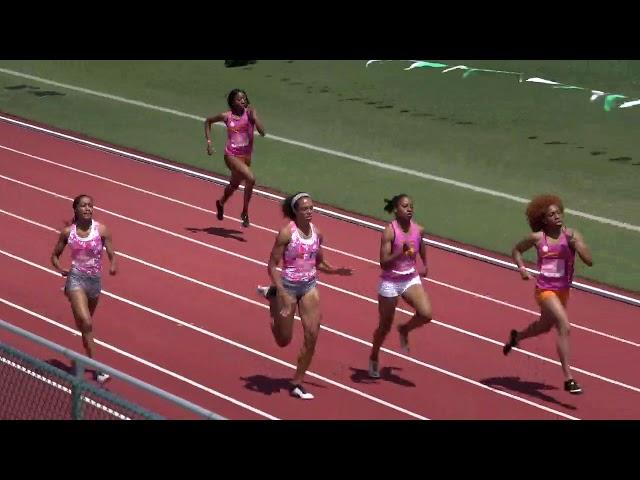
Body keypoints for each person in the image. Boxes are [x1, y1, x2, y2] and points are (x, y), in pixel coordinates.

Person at [257, 192, 352, 399]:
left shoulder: (317, 233)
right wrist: (281, 291)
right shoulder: (286, 234)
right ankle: (272, 297)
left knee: (312, 335)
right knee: (284, 340)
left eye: (311, 208)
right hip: (288, 288)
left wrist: (336, 271)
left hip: (309, 287)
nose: (309, 212)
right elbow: (272, 265)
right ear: (295, 211)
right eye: (305, 209)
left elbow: (319, 262)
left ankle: (297, 382)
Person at [503, 194, 593, 395]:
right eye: (551, 214)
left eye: (558, 212)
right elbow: (516, 250)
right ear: (543, 219)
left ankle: (518, 336)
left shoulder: (571, 235)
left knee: (544, 327)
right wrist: (522, 269)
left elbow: (589, 260)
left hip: (563, 291)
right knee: (564, 325)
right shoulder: (537, 238)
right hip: (544, 290)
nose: (557, 216)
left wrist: (577, 245)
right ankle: (569, 378)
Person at [51, 194, 118, 383]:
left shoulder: (102, 230)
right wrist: (60, 268)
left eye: (90, 205)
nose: (88, 209)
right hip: (76, 279)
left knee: (84, 326)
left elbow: (112, 253)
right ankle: (97, 368)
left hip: (94, 282)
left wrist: (113, 265)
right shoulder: (67, 233)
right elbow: (55, 256)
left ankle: (86, 351)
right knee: (86, 323)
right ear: (76, 209)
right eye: (84, 206)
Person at [368, 194, 432, 378]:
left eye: (411, 206)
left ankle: (405, 329)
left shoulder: (418, 230)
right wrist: (399, 252)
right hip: (390, 281)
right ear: (396, 209)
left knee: (426, 314)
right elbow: (383, 262)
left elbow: (421, 245)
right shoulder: (389, 232)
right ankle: (374, 355)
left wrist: (425, 264)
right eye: (405, 206)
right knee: (385, 326)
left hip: (409, 278)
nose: (409, 209)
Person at [204, 88, 266, 228]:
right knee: (250, 178)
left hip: (246, 157)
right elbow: (208, 122)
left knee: (235, 185)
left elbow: (262, 133)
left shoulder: (250, 114)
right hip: (231, 155)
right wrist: (209, 143)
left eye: (244, 98)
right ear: (232, 102)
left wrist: (255, 118)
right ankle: (245, 211)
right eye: (239, 99)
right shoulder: (227, 116)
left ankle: (220, 203)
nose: (242, 101)